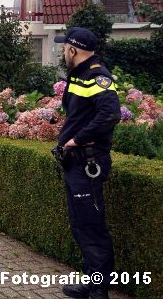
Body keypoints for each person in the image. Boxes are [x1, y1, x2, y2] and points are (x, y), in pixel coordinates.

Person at [54, 27, 121, 299]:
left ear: (73, 50)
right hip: (76, 163)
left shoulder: (97, 76)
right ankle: (91, 282)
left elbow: (109, 115)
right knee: (81, 224)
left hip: (88, 162)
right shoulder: (80, 75)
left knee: (92, 226)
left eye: (64, 47)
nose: (62, 51)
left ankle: (100, 291)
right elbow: (83, 112)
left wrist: (76, 140)